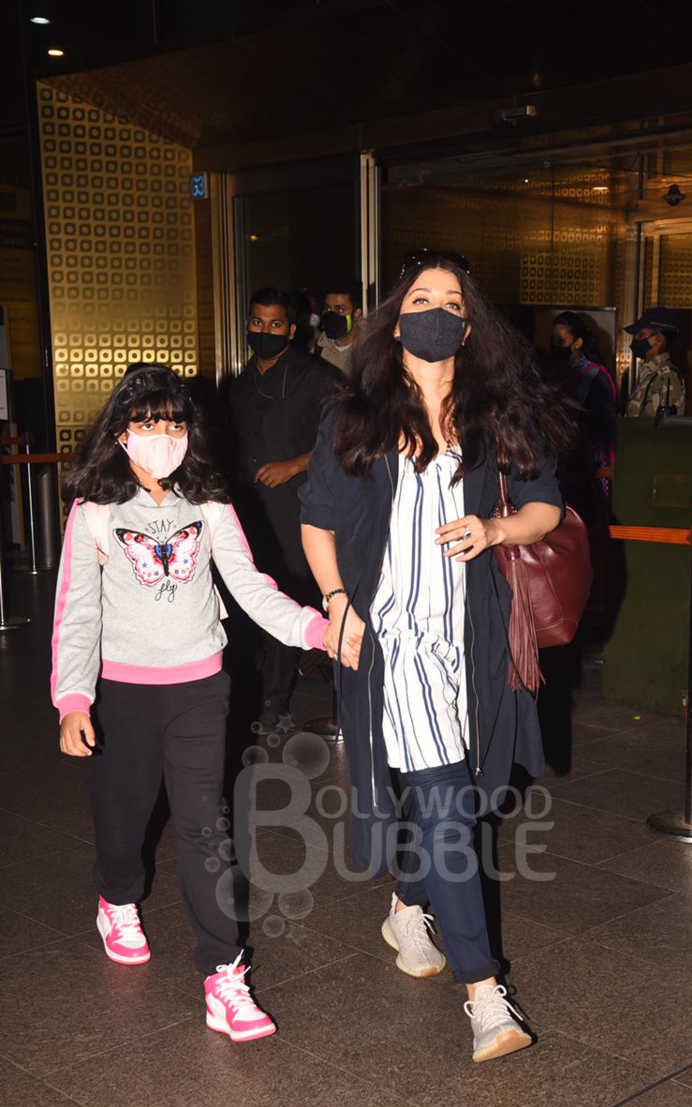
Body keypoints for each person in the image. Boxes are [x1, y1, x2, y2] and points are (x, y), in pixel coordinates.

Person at [300, 250, 571, 1063]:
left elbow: (547, 508)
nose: (437, 311)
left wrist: (495, 528)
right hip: (392, 640)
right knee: (449, 801)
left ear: (470, 321)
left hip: (472, 637)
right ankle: (485, 994)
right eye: (422, 297)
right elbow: (318, 520)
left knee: (465, 793)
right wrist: (338, 604)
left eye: (453, 300)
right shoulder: (357, 415)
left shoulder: (497, 413)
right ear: (394, 316)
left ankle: (408, 901)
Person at [51, 364, 329, 1042]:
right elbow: (76, 612)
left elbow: (250, 585)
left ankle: (223, 976)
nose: (163, 436)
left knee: (206, 829)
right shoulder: (95, 510)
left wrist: (314, 629)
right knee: (126, 817)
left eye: (175, 423)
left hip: (201, 688)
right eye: (148, 423)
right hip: (122, 692)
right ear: (120, 433)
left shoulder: (208, 501)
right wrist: (73, 699)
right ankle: (117, 898)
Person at [230, 288, 339, 729]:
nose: (265, 332)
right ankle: (256, 693)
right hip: (247, 508)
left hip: (298, 507)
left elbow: (344, 437)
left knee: (286, 594)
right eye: (258, 323)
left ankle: (277, 701)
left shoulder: (317, 377)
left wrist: (295, 464)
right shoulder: (238, 384)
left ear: (291, 331)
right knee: (248, 596)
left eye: (275, 325)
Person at [549, 310, 616, 514]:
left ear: (577, 343)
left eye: (561, 341)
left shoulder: (595, 376)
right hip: (562, 464)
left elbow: (604, 427)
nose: (555, 346)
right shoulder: (557, 374)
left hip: (588, 468)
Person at [624, 307, 685, 419]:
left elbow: (663, 428)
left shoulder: (666, 375)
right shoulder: (649, 373)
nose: (636, 340)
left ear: (659, 339)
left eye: (641, 335)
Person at [315, 283, 363, 378]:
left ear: (357, 314)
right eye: (328, 308)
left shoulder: (370, 351)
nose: (332, 315)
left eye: (340, 309)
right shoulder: (319, 347)